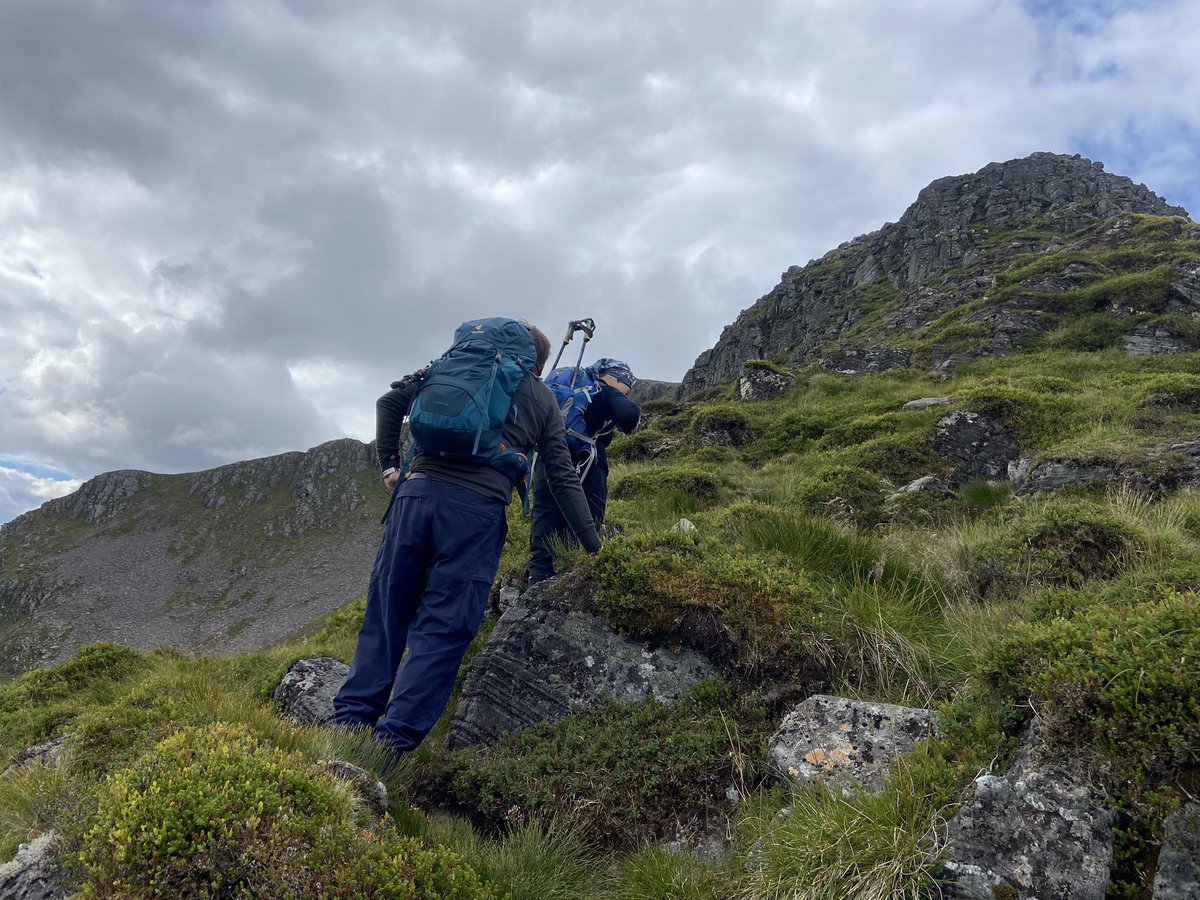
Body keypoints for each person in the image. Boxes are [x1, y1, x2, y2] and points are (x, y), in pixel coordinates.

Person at [332, 321, 600, 758]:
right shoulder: (539, 395)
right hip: (474, 511)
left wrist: (389, 467)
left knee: (387, 611)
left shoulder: (446, 367)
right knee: (443, 627)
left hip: (412, 498)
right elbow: (562, 476)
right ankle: (386, 750)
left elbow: (388, 402)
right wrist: (593, 547)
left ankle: (346, 727)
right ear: (539, 362)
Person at [528, 358, 640, 584]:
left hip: (547, 459)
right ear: (615, 379)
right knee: (586, 523)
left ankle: (537, 582)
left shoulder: (567, 390)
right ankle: (577, 583)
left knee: (544, 519)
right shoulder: (604, 393)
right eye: (626, 388)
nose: (625, 393)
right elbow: (629, 416)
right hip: (587, 465)